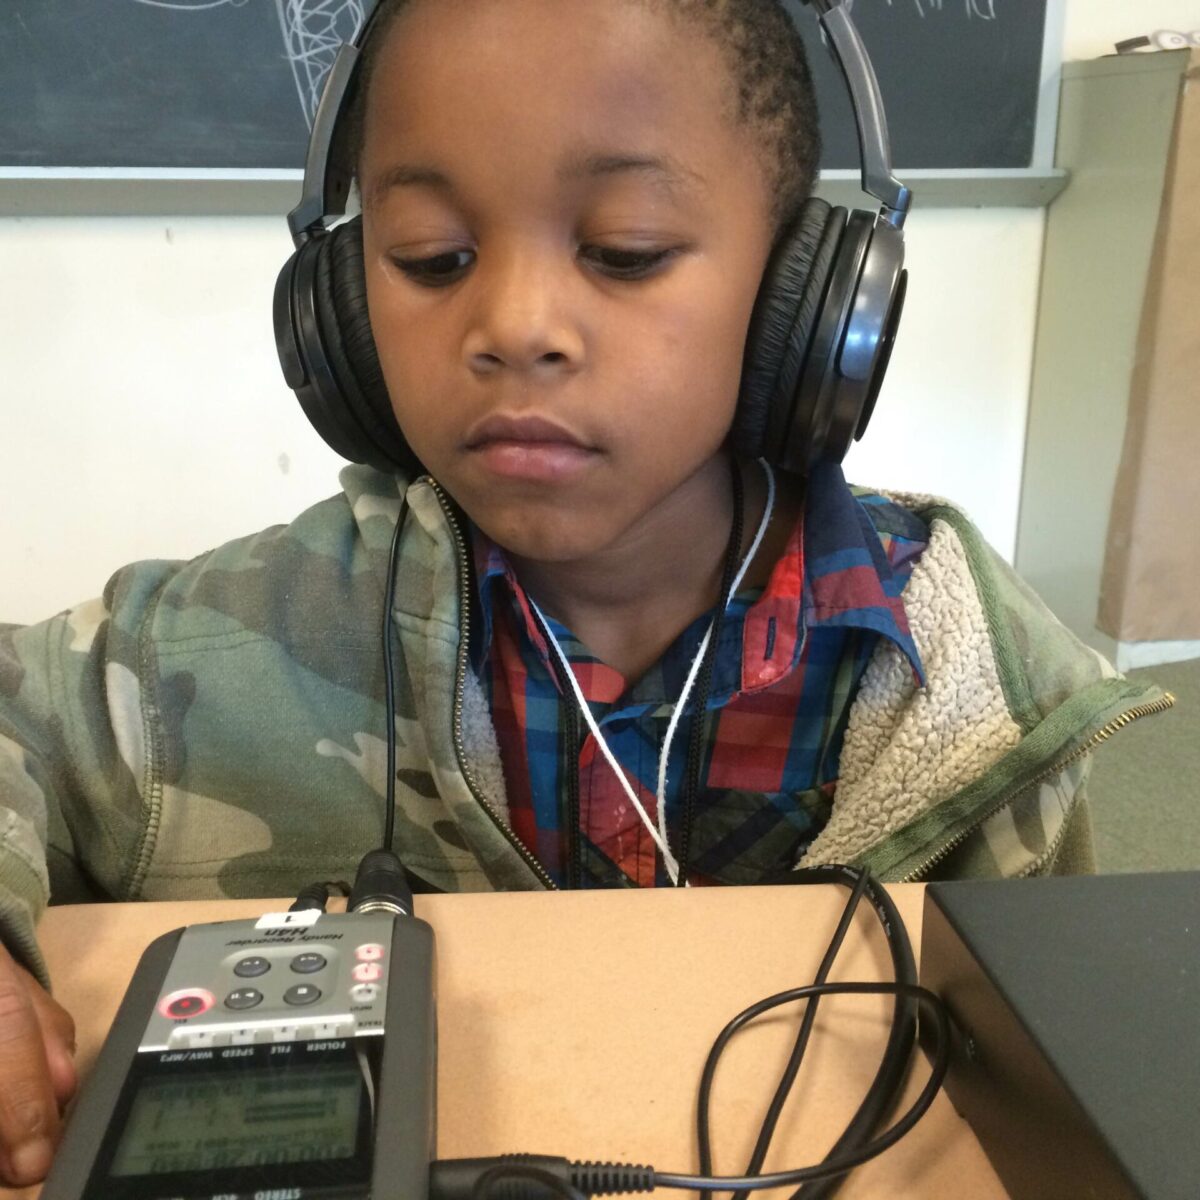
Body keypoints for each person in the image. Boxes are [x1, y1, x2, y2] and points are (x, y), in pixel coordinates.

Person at [0, 0, 1171, 1186]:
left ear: (809, 299)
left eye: (624, 249)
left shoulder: (969, 682)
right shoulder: (224, 644)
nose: (513, 325)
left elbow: (1057, 1074)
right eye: (431, 258)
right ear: (342, 311)